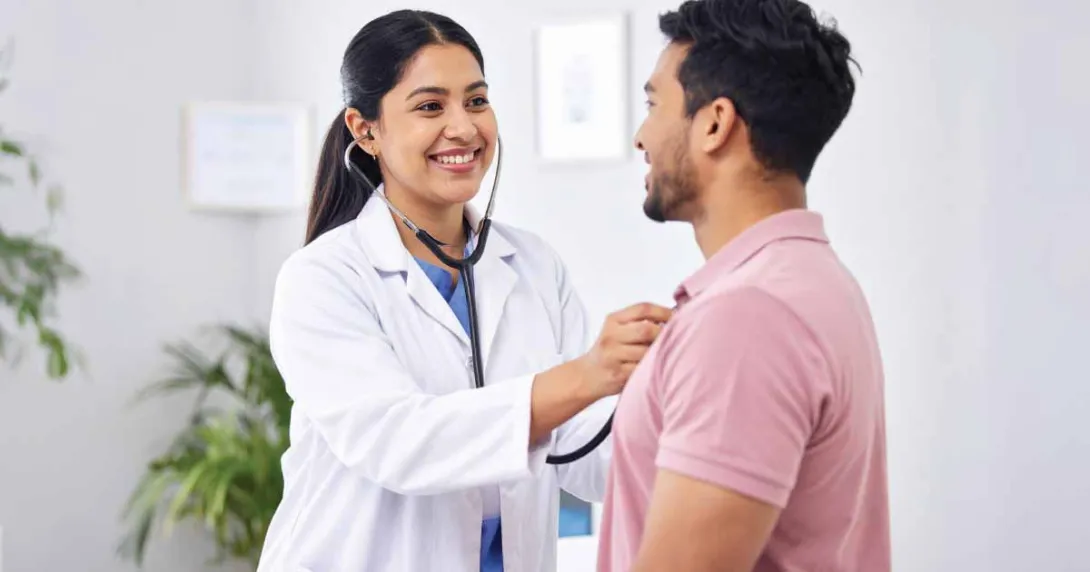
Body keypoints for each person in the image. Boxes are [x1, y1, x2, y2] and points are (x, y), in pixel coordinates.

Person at [254, 9, 672, 572]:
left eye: (476, 101)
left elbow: (582, 449)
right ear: (365, 129)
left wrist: (679, 409)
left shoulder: (532, 266)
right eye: (431, 106)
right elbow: (399, 445)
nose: (464, 127)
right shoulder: (325, 278)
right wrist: (588, 374)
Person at [597, 0, 890, 571]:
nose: (641, 135)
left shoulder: (746, 318)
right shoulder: (815, 283)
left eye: (655, 104)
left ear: (715, 123)